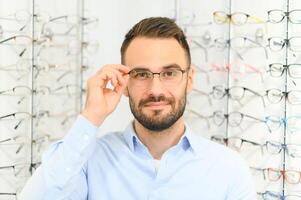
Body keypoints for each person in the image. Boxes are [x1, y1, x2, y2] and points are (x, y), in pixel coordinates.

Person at [20, 17, 256, 200]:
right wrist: (91, 116)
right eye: (141, 74)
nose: (156, 89)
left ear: (190, 79)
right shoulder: (89, 160)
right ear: (123, 84)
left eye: (169, 73)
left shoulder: (229, 170)